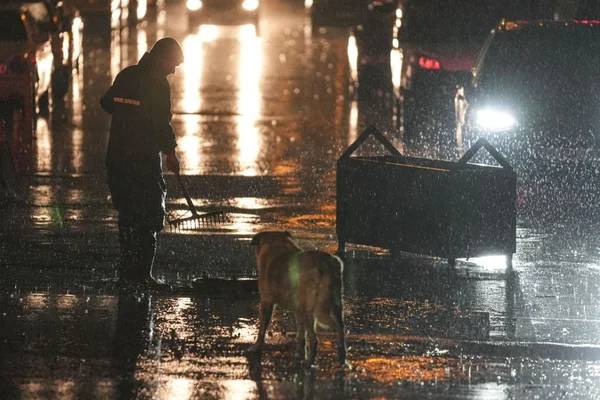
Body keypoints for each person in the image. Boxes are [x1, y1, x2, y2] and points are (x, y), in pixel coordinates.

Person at [100, 37, 183, 289]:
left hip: (117, 158)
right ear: (161, 58)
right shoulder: (158, 84)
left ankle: (127, 274)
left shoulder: (127, 75)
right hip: (143, 161)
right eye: (173, 64)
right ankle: (142, 276)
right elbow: (160, 123)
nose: (174, 70)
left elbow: (106, 102)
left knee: (128, 215)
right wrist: (170, 153)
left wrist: (128, 107)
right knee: (150, 215)